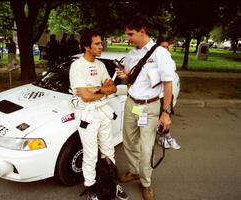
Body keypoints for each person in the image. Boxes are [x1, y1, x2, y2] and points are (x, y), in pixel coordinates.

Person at [116, 19, 176, 200]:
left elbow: (167, 85)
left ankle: (146, 182)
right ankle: (134, 171)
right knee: (128, 140)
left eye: (130, 34)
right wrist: (125, 76)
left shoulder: (160, 53)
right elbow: (129, 79)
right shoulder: (131, 54)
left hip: (150, 106)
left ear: (142, 31)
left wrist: (165, 113)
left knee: (147, 147)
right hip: (132, 103)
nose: (128, 38)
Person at [69, 30, 128, 200]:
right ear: (87, 46)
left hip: (103, 111)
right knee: (91, 153)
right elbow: (85, 97)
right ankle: (91, 188)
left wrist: (98, 89)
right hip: (87, 115)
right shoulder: (77, 66)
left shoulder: (101, 66)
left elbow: (113, 88)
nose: (101, 46)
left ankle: (112, 183)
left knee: (109, 150)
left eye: (101, 43)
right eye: (97, 44)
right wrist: (102, 91)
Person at [157, 38, 181, 150]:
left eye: (167, 47)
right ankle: (164, 137)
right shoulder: (155, 62)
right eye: (163, 47)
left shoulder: (171, 62)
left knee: (167, 115)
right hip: (157, 95)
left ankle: (166, 137)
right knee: (159, 117)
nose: (165, 49)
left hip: (167, 94)